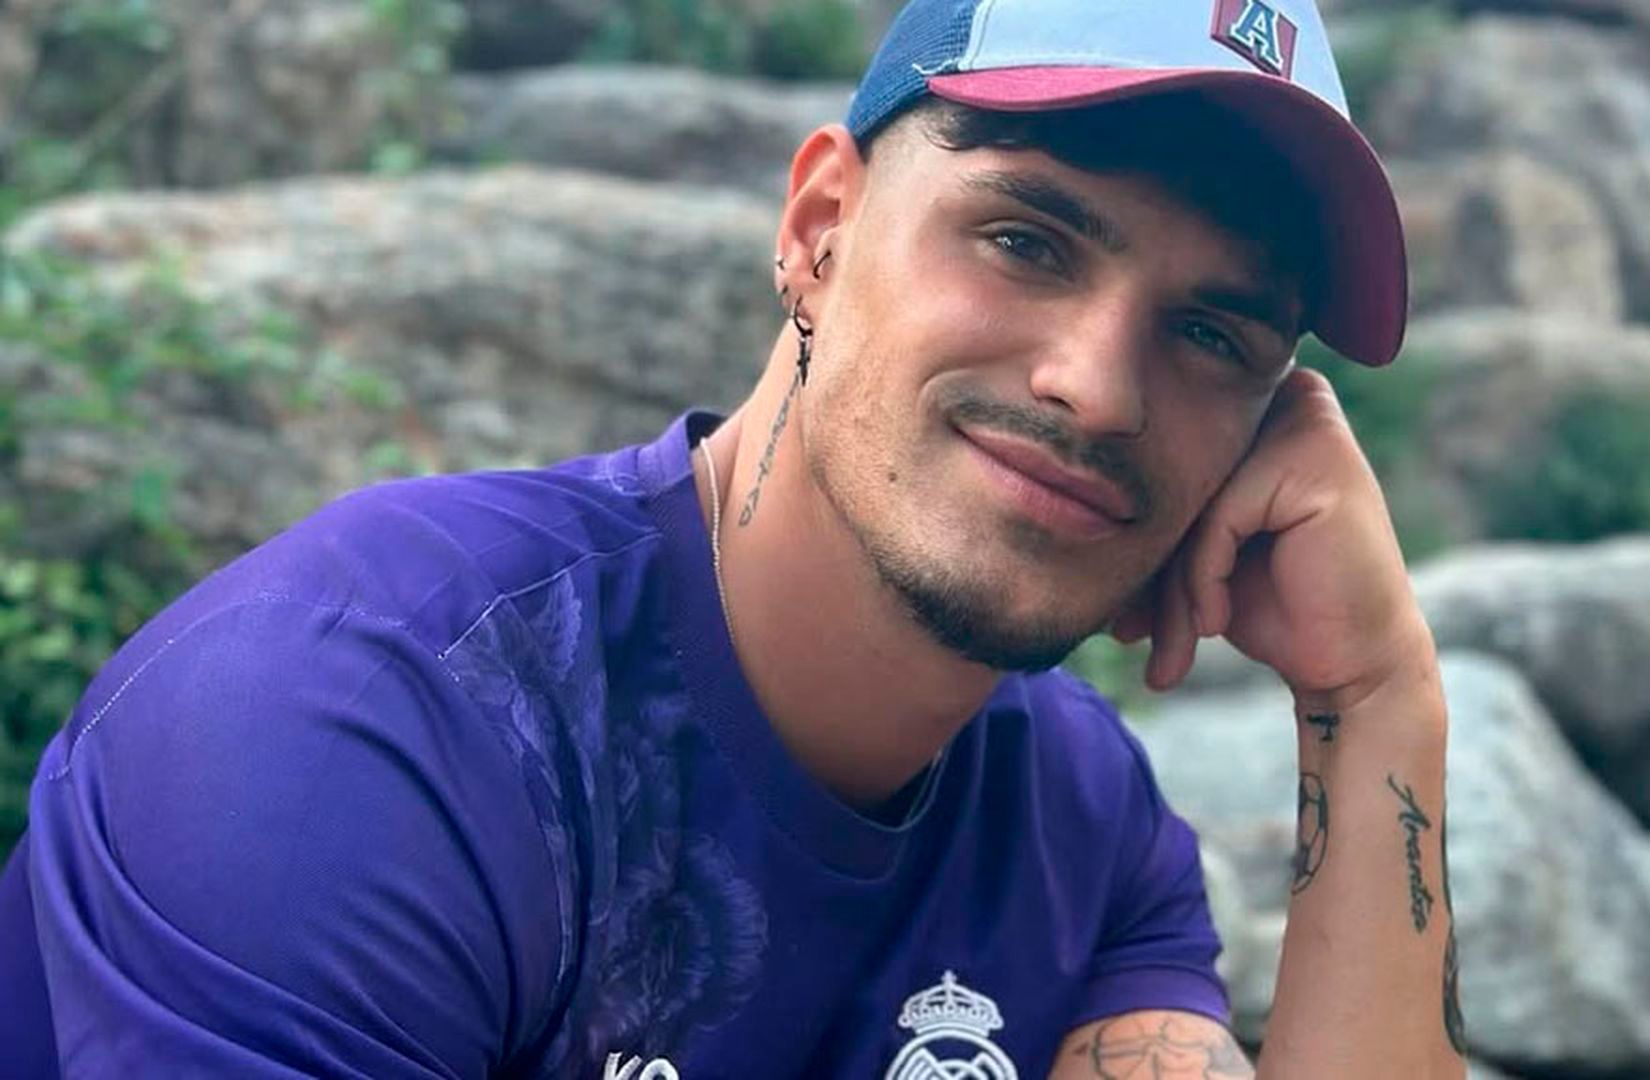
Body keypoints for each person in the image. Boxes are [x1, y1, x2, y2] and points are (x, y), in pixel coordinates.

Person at [0, 0, 1464, 1075]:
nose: (1099, 385)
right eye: (1027, 240)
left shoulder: (1079, 823)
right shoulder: (367, 723)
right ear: (821, 230)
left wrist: (1377, 698)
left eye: (1212, 333)